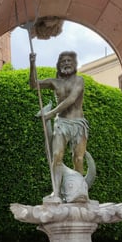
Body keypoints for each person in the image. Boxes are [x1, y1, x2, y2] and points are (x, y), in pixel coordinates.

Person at [29, 50, 89, 199]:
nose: (66, 63)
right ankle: (56, 192)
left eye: (69, 61)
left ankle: (79, 190)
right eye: (63, 61)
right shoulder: (54, 82)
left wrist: (50, 114)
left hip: (78, 124)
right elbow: (33, 84)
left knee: (78, 158)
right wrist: (32, 64)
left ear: (74, 64)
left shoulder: (79, 80)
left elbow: (71, 99)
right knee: (56, 156)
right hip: (61, 123)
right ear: (58, 65)